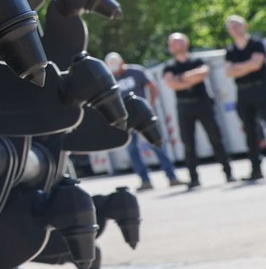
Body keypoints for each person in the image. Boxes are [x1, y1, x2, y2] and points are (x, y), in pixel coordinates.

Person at [161, 32, 232, 188]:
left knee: (216, 138)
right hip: (184, 106)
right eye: (173, 43)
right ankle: (193, 178)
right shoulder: (169, 66)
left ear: (186, 43)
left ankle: (228, 173)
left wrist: (181, 78)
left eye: (179, 42)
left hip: (203, 103)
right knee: (188, 144)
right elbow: (172, 83)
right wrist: (190, 79)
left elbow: (202, 73)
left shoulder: (197, 60)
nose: (176, 45)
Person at [104, 52, 183, 190]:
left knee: (157, 144)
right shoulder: (109, 78)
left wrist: (149, 105)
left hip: (142, 115)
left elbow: (152, 87)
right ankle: (145, 180)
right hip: (125, 119)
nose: (116, 71)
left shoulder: (136, 71)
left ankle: (172, 177)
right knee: (132, 150)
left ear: (122, 62)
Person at [223, 15, 265, 182]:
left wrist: (238, 68)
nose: (234, 29)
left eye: (237, 25)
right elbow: (228, 72)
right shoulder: (230, 50)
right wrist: (247, 65)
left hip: (261, 89)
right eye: (231, 27)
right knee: (249, 131)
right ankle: (256, 170)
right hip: (243, 93)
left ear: (245, 26)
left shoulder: (256, 44)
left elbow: (257, 64)